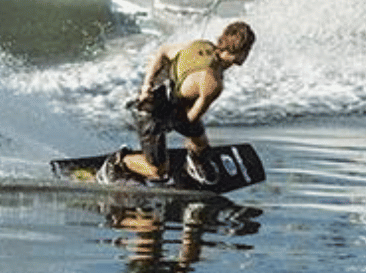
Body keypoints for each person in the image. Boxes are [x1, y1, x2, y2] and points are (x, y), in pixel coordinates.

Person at [103, 21, 256, 185]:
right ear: (241, 52)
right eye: (248, 50)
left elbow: (163, 51)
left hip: (158, 96)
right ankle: (118, 162)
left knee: (199, 140)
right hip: (149, 111)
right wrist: (168, 125)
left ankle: (196, 161)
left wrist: (146, 85)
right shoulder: (213, 84)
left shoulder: (202, 46)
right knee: (159, 172)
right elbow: (190, 119)